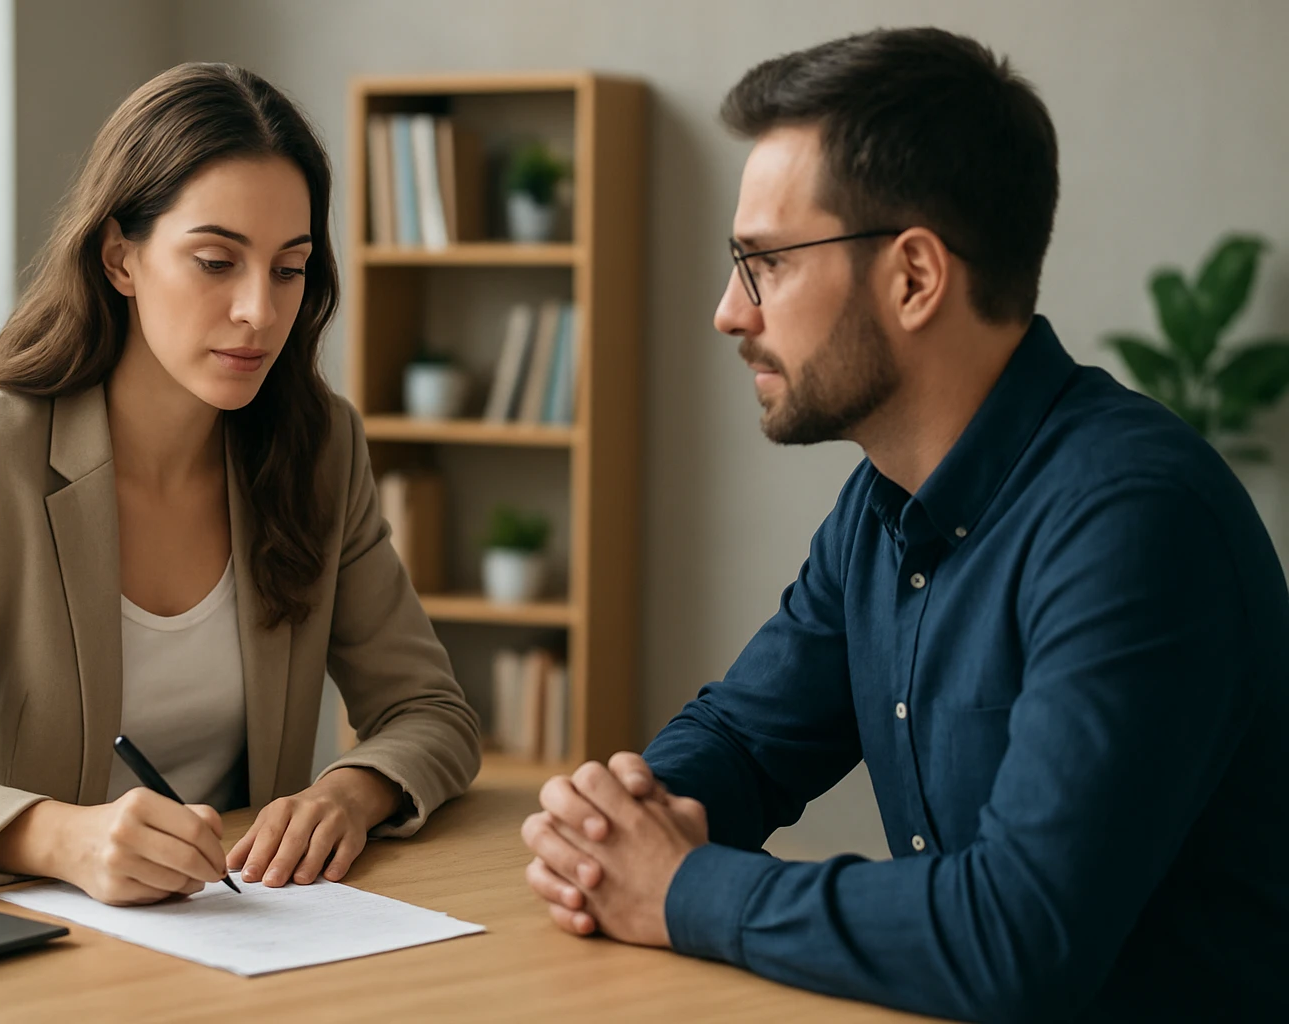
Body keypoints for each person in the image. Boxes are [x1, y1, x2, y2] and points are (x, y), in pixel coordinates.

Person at [521, 27, 1288, 1022]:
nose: (727, 312)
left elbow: (1015, 936)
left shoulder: (1136, 526)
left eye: (764, 265)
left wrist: (676, 886)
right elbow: (748, 738)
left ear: (915, 277)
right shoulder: (884, 504)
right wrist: (622, 821)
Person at [0, 62, 481, 906]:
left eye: (288, 269)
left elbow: (433, 713)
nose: (258, 313)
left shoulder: (317, 449)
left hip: (246, 927)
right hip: (37, 934)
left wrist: (351, 791)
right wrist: (59, 835)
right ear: (121, 257)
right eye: (214, 262)